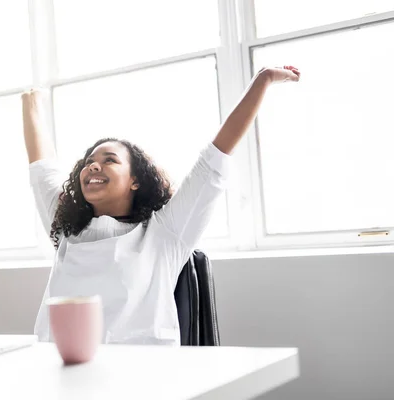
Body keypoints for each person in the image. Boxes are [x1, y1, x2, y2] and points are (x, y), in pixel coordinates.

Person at [22, 66, 300, 345]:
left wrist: (262, 80)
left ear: (135, 181)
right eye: (88, 162)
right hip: (58, 371)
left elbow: (214, 159)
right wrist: (31, 101)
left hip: (142, 374)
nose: (92, 165)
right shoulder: (66, 231)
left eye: (110, 160)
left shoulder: (164, 233)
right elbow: (41, 168)